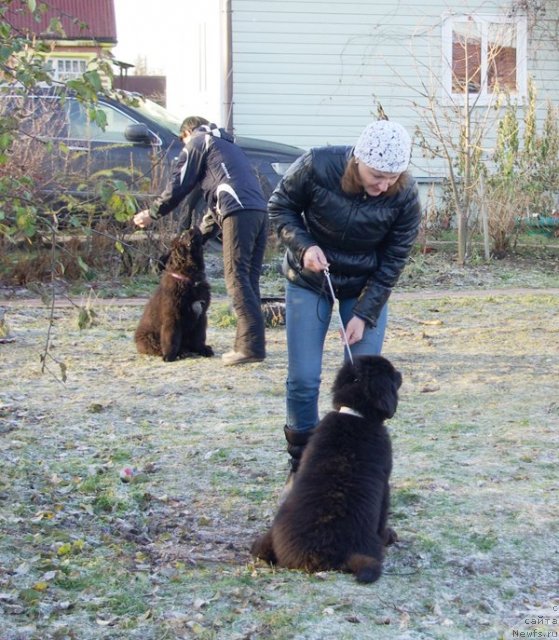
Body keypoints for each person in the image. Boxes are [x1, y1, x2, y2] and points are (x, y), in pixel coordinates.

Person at [268, 119, 421, 483]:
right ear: (357, 159)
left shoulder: (405, 195)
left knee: (365, 382)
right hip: (309, 281)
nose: (384, 185)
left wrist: (365, 315)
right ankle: (302, 462)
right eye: (377, 175)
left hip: (365, 287)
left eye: (392, 177)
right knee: (304, 378)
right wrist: (304, 247)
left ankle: (353, 464)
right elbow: (280, 207)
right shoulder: (317, 165)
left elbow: (393, 262)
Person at [134, 116, 268, 366]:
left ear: (186, 133)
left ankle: (250, 348)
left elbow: (179, 183)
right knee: (248, 281)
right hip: (259, 211)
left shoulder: (198, 141)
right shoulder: (227, 146)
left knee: (236, 278)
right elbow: (215, 205)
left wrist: (152, 213)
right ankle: (249, 345)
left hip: (237, 211)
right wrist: (196, 237)